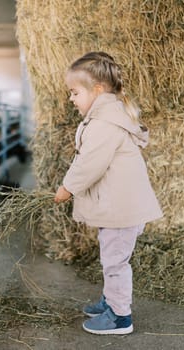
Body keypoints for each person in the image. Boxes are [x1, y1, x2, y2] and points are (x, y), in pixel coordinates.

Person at [54, 51, 163, 335]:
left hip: (121, 208)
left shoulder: (104, 124)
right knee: (112, 258)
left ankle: (120, 317)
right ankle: (111, 300)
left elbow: (90, 164)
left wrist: (67, 188)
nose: (71, 99)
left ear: (98, 90)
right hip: (119, 205)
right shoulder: (108, 117)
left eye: (75, 92)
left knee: (115, 261)